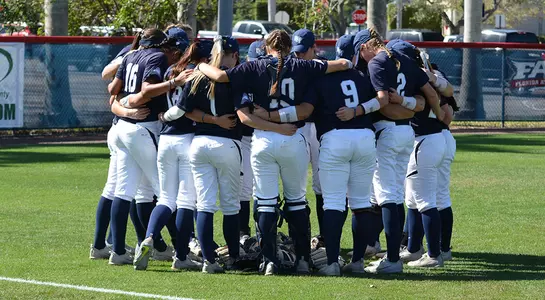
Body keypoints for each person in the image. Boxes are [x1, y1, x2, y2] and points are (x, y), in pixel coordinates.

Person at [196, 29, 352, 275]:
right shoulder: (304, 66)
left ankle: (269, 261)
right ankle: (302, 259)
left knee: (266, 203)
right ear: (290, 47)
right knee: (297, 201)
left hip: (263, 140)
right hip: (293, 137)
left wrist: (201, 66)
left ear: (267, 47)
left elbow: (221, 76)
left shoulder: (254, 66)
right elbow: (342, 63)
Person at [352, 28, 441, 274]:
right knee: (394, 195)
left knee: (386, 196)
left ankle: (391, 259)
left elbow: (383, 103)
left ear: (365, 47)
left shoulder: (377, 62)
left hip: (388, 132)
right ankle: (387, 254)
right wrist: (434, 113)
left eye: (361, 55)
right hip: (406, 132)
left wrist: (363, 111)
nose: (363, 61)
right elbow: (429, 95)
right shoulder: (400, 59)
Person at [304, 34, 388, 276]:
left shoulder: (321, 76)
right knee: (361, 203)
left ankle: (331, 263)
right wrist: (358, 110)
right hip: (364, 137)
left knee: (333, 203)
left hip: (335, 138)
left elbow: (307, 109)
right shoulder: (364, 76)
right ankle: (358, 261)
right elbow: (380, 101)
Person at [106, 28, 186, 265]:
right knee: (165, 194)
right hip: (143, 128)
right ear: (160, 44)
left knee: (126, 191)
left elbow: (112, 89)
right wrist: (173, 82)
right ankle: (178, 249)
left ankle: (118, 251)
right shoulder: (157, 57)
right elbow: (146, 90)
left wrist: (126, 103)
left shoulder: (130, 55)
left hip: (122, 126)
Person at [176, 36, 244, 273]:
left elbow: (187, 111)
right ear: (234, 55)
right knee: (230, 206)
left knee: (204, 204)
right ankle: (233, 257)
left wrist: (210, 119)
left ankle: (208, 260)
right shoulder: (235, 75)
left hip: (200, 143)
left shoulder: (197, 75)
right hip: (226, 144)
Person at [387, 40, 457, 265]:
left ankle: (434, 255)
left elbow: (441, 107)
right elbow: (448, 106)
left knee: (424, 200)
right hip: (442, 137)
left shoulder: (410, 75)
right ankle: (425, 248)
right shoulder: (432, 72)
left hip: (424, 139)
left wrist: (402, 100)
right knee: (431, 198)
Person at [290, 29, 325, 235]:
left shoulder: (321, 65)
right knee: (297, 184)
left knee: (322, 185)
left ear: (314, 48)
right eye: (297, 52)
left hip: (318, 128)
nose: (299, 55)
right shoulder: (292, 66)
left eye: (303, 51)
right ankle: (299, 236)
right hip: (299, 128)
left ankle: (324, 236)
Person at [238, 40, 266, 239]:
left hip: (264, 136)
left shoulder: (272, 77)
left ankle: (260, 233)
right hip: (244, 138)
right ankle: (243, 233)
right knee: (245, 189)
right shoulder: (241, 76)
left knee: (261, 189)